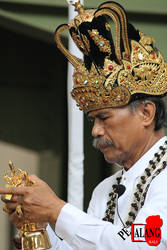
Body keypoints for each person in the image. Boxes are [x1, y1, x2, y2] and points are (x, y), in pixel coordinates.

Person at [1, 1, 167, 249]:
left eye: (104, 118)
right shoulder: (106, 190)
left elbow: (142, 244)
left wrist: (56, 210)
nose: (95, 131)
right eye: (92, 120)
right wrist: (38, 229)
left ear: (146, 113)